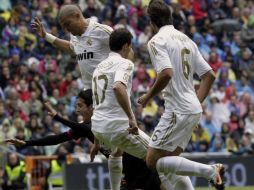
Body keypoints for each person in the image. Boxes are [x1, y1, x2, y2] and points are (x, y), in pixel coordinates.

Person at [137, 1, 225, 190]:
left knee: (152, 161)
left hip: (177, 110)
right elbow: (209, 75)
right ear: (170, 18)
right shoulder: (187, 40)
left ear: (152, 22)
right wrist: (197, 101)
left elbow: (166, 73)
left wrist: (148, 96)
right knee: (170, 163)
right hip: (193, 109)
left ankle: (210, 171)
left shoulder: (156, 41)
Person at [6, 89, 161, 190]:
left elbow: (88, 129)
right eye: (76, 105)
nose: (77, 109)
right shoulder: (83, 127)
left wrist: (58, 118)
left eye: (80, 105)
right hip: (129, 174)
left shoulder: (106, 121)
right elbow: (57, 138)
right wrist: (27, 142)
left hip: (145, 168)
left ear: (91, 107)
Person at [90, 28, 168, 190]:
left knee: (117, 152)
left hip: (98, 128)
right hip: (116, 127)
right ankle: (209, 171)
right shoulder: (125, 63)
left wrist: (96, 142)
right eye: (131, 47)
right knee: (160, 157)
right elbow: (118, 87)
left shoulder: (99, 67)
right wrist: (131, 118)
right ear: (126, 46)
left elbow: (99, 103)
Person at [31, 4, 112, 90]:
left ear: (77, 16)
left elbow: (126, 50)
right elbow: (72, 48)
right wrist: (46, 36)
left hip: (110, 89)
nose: (67, 29)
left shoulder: (102, 31)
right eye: (64, 27)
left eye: (68, 24)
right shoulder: (74, 35)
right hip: (91, 91)